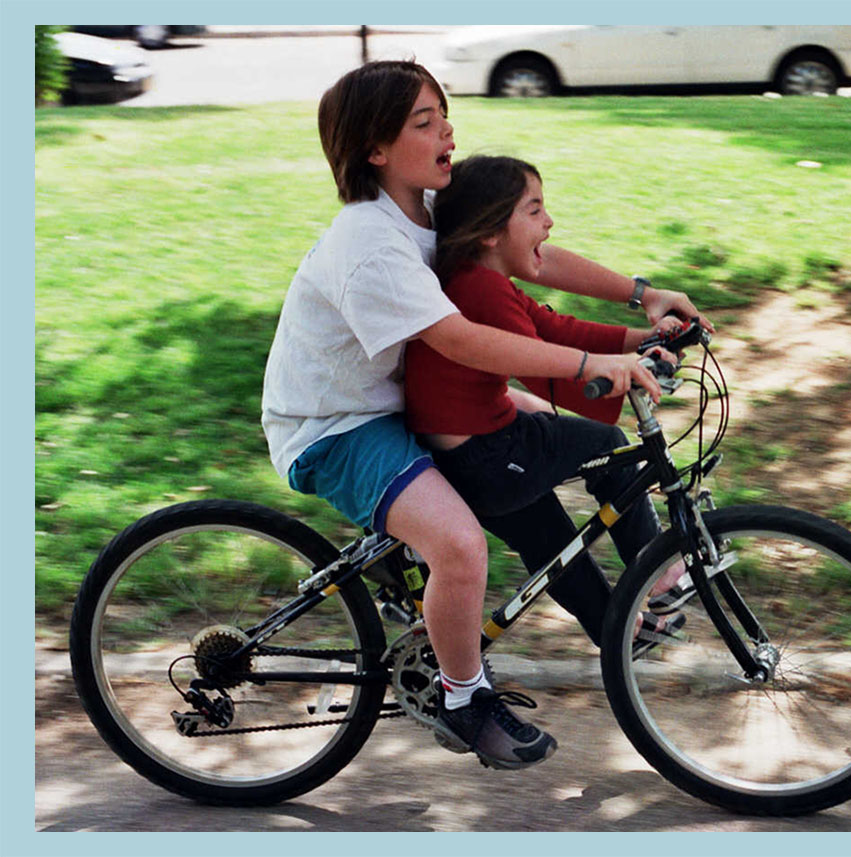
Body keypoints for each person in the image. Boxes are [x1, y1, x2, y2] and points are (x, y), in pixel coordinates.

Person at [260, 61, 707, 772]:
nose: (448, 131)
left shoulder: (426, 211)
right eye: (424, 122)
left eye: (445, 114)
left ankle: (617, 623)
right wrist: (595, 367)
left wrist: (643, 295)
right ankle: (464, 697)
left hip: (396, 406)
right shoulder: (369, 245)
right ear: (375, 149)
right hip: (336, 428)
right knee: (462, 546)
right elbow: (459, 338)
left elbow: (538, 258)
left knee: (537, 479)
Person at [404, 154, 694, 662]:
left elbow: (553, 332)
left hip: (467, 455)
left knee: (552, 546)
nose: (549, 222)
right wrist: (617, 373)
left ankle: (615, 630)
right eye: (534, 210)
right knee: (612, 448)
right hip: (489, 451)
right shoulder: (481, 290)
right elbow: (548, 368)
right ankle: (662, 575)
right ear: (492, 232)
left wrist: (641, 339)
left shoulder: (482, 280)